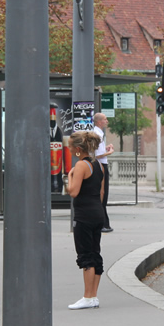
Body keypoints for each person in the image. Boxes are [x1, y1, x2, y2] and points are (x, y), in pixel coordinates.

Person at [66, 131, 105, 310]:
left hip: (84, 215)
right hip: (97, 212)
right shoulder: (98, 165)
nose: (69, 148)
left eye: (70, 146)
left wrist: (70, 175)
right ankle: (94, 296)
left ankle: (87, 296)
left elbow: (73, 192)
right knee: (95, 252)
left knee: (85, 255)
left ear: (78, 149)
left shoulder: (81, 166)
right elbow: (101, 193)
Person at [92, 112, 115, 232]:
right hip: (101, 165)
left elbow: (99, 151)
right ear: (99, 121)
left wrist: (106, 150)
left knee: (103, 193)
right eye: (105, 119)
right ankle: (102, 223)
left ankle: (104, 222)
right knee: (102, 193)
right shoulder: (97, 134)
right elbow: (98, 155)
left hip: (101, 164)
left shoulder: (98, 133)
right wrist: (109, 152)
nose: (106, 121)